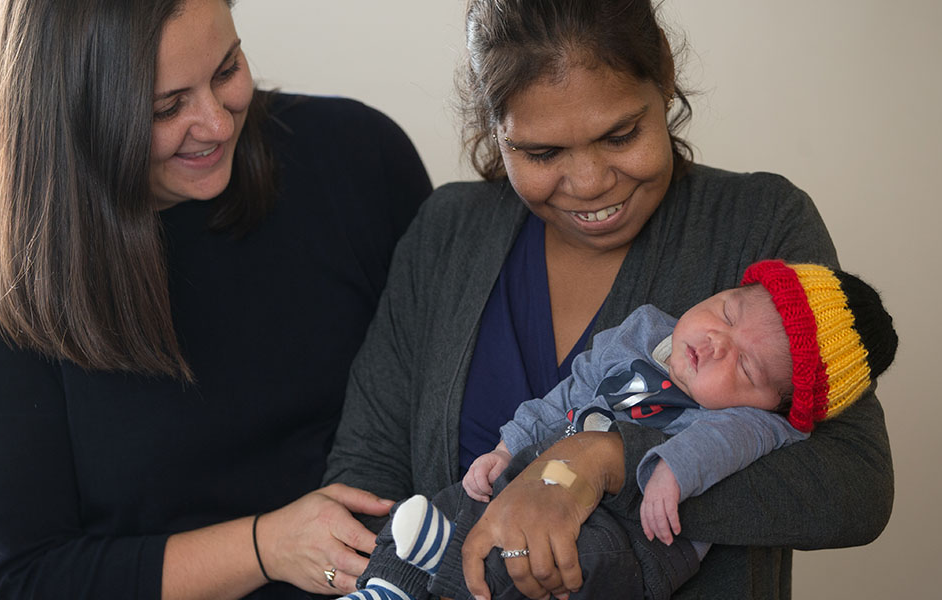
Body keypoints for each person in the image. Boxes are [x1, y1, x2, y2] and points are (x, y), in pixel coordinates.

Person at [322, 1, 896, 599]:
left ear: (664, 80)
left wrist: (603, 460)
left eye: (621, 134)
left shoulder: (759, 224)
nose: (591, 182)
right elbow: (366, 477)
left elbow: (854, 487)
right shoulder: (447, 232)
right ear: (495, 127)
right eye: (542, 153)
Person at [0, 0, 432, 598]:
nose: (217, 124)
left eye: (227, 70)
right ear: (71, 114)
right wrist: (267, 547)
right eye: (167, 107)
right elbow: (28, 579)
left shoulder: (356, 158)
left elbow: (454, 403)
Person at [334, 260, 898, 600]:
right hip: (540, 477)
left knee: (578, 557)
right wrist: (510, 443)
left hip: (633, 540)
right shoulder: (646, 330)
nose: (715, 343)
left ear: (776, 405)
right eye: (727, 312)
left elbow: (721, 442)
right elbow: (573, 390)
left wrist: (671, 471)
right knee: (455, 496)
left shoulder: (755, 423)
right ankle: (387, 585)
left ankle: (448, 570)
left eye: (746, 368)